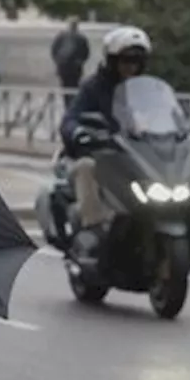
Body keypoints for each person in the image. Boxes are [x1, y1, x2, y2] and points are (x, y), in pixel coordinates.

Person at [59, 25, 152, 258]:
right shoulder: (93, 87)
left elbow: (166, 114)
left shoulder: (145, 90)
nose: (131, 66)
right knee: (86, 167)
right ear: (112, 60)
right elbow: (70, 119)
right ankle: (93, 232)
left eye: (137, 61)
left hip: (133, 156)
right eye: (126, 60)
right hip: (99, 154)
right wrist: (79, 132)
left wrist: (186, 130)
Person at [51, 18, 90, 107]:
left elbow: (54, 50)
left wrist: (58, 61)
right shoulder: (81, 38)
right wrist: (80, 62)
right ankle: (72, 105)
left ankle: (67, 105)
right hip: (75, 68)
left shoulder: (61, 37)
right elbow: (86, 53)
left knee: (65, 87)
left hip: (63, 67)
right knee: (74, 87)